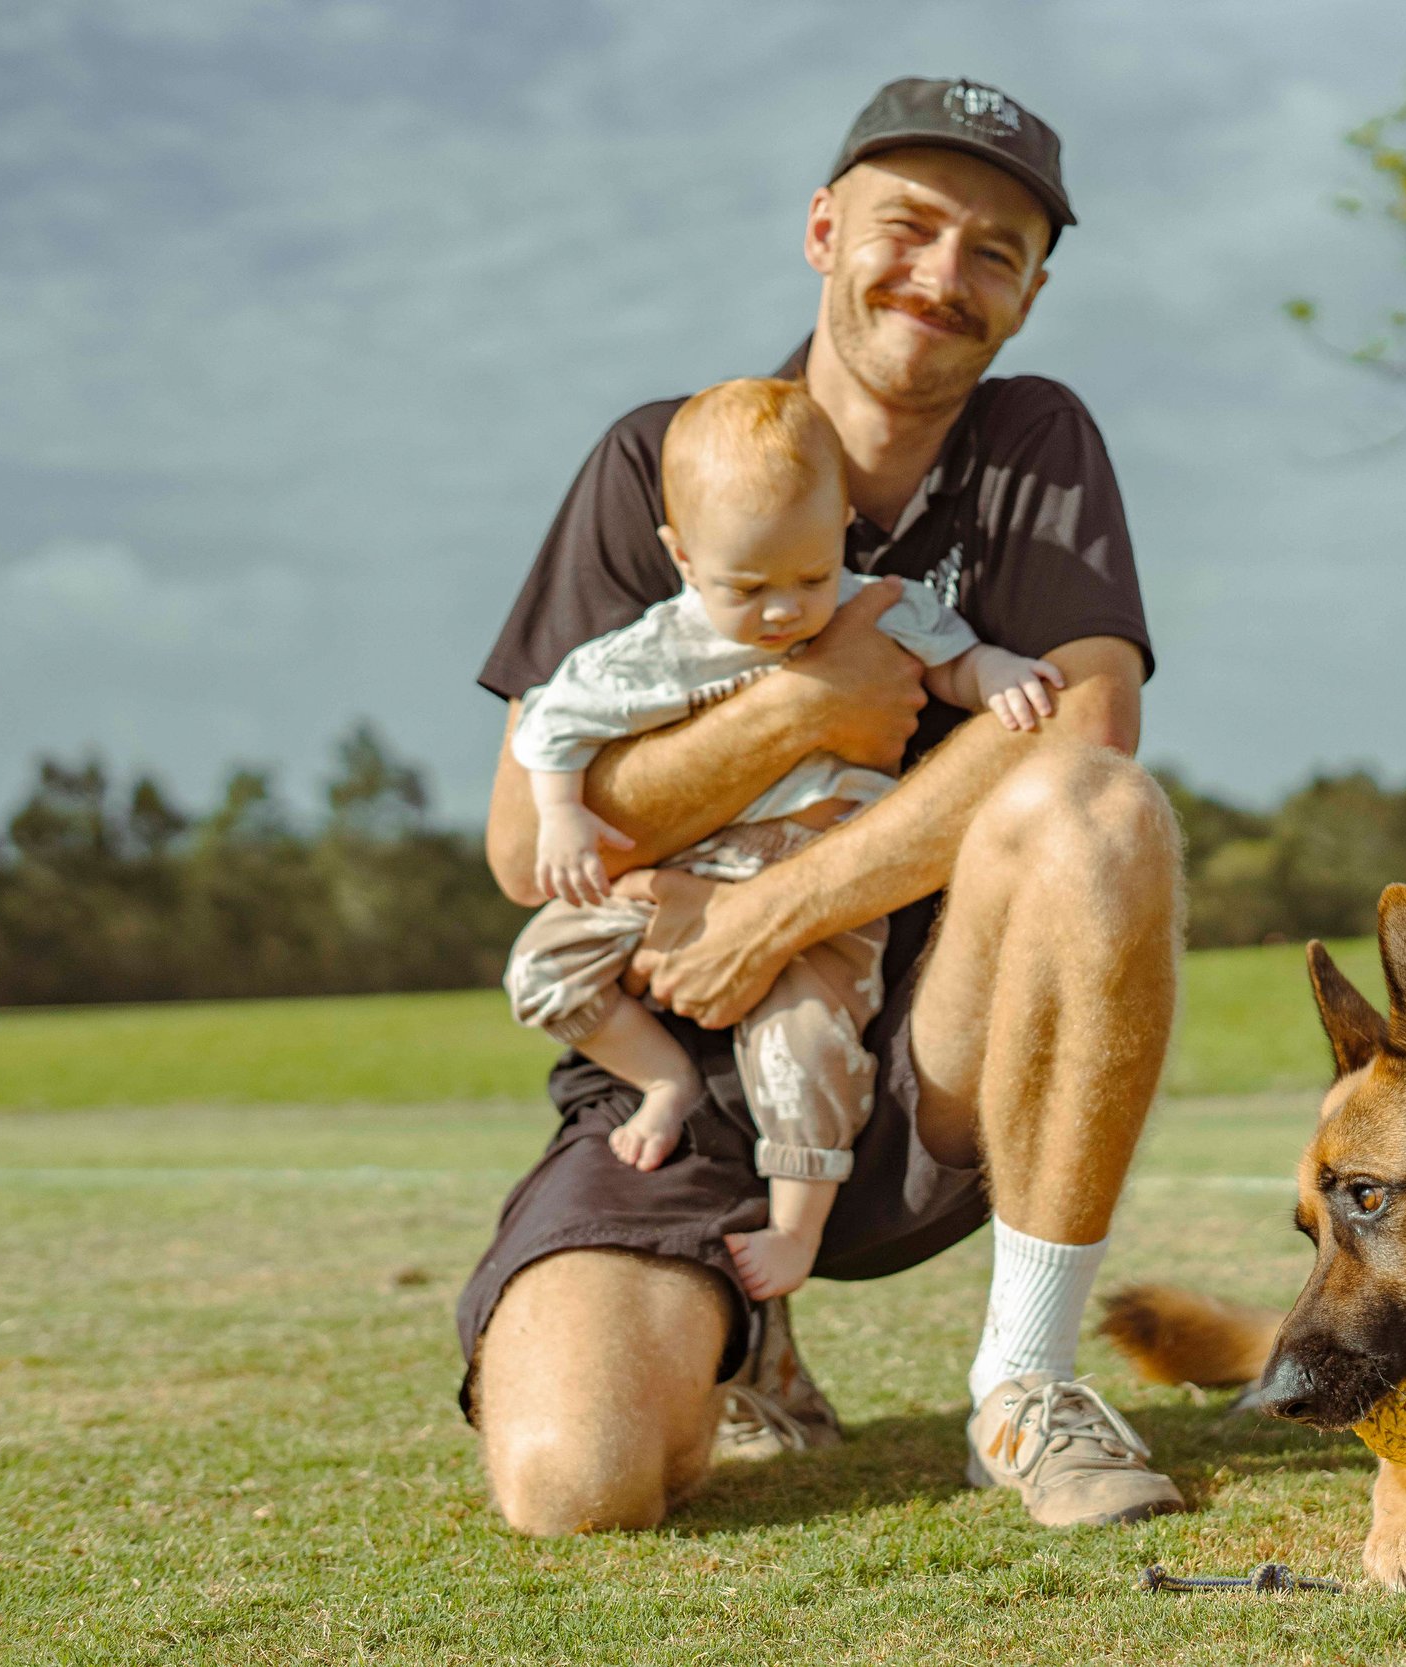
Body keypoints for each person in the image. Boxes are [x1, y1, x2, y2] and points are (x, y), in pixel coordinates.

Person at [461, 75, 1184, 1533]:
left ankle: (1024, 1384)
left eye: (995, 250)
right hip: (680, 1054)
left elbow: (1090, 725)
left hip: (925, 1033)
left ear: (1033, 293)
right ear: (820, 229)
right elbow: (517, 844)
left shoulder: (1034, 441)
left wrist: (774, 909)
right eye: (907, 226)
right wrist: (804, 702)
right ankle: (740, 1330)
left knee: (1101, 811)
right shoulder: (660, 457)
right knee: (573, 1481)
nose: (942, 274)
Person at [502, 374, 1065, 1304]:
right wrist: (561, 810)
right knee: (542, 967)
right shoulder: (656, 648)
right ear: (682, 557)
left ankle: (796, 1230)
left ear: (842, 525)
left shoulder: (874, 603)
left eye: (808, 577)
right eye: (748, 586)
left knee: (805, 1047)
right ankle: (663, 1082)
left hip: (819, 877)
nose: (781, 610)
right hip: (681, 884)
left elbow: (954, 658)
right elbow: (551, 725)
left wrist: (997, 670)